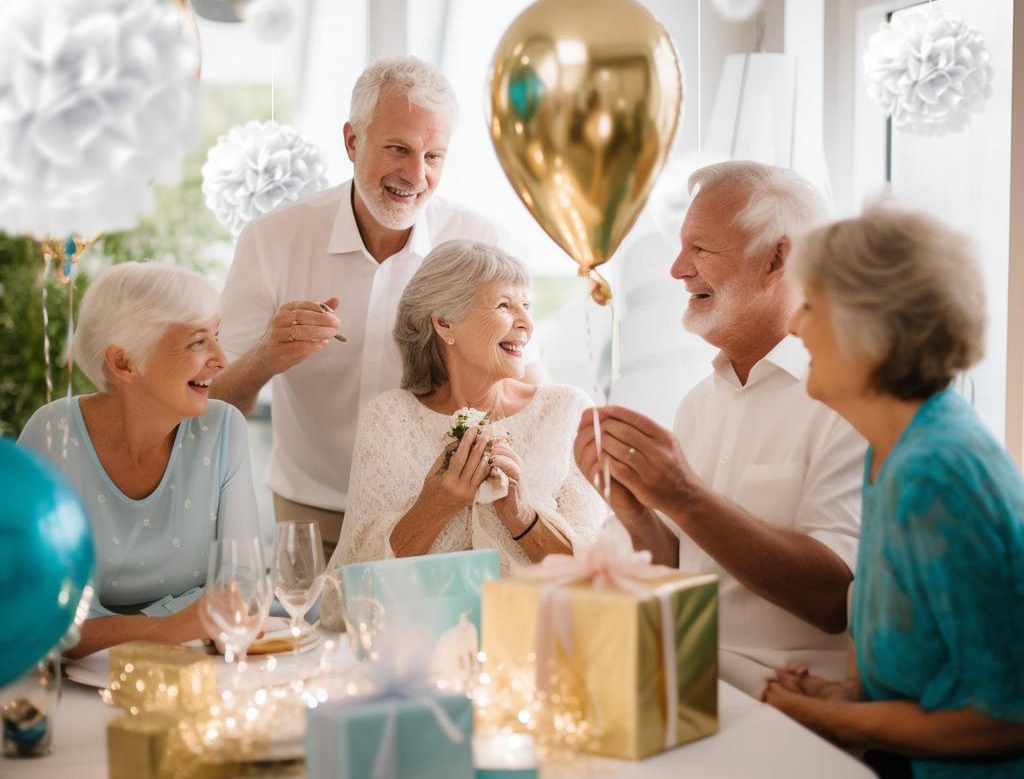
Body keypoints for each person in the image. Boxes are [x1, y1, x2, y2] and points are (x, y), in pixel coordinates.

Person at [763, 203, 1024, 779]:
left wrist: (839, 723)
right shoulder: (894, 450)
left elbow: (1004, 718)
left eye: (811, 304)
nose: (793, 324)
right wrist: (847, 697)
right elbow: (942, 669)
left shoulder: (937, 470)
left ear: (871, 328)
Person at [213, 57, 538, 559]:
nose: (416, 174)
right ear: (351, 141)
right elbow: (217, 404)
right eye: (398, 149)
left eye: (434, 156)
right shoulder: (272, 240)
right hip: (313, 509)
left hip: (439, 511)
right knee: (315, 634)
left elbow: (523, 385)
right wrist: (266, 357)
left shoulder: (483, 242)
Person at [574, 161, 865, 696]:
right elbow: (680, 571)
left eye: (700, 248)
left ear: (778, 258)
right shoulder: (697, 405)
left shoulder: (849, 401)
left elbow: (835, 601)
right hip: (689, 688)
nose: (677, 269)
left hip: (794, 712)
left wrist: (684, 497)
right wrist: (633, 507)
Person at [319, 240, 606, 629]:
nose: (526, 323)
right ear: (445, 324)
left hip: (544, 643)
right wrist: (434, 506)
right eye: (505, 305)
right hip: (421, 655)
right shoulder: (390, 417)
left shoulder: (566, 412)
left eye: (527, 306)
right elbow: (350, 588)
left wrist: (519, 514)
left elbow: (596, 578)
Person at [18, 262, 260, 658]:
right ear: (124, 362)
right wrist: (174, 625)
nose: (221, 359)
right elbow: (39, 613)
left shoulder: (223, 428)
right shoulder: (52, 434)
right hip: (74, 684)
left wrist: (119, 629)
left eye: (216, 337)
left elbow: (241, 584)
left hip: (194, 668)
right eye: (198, 342)